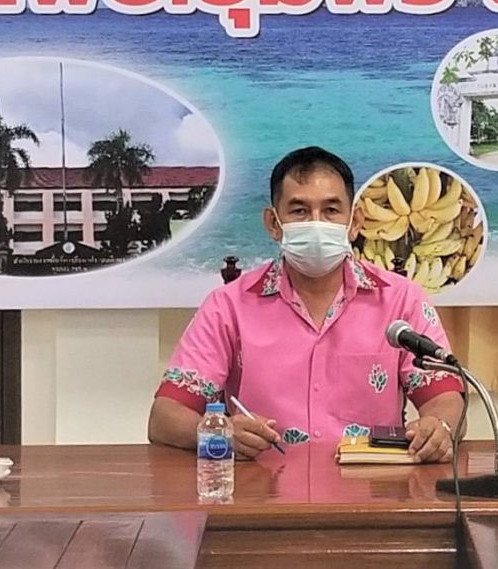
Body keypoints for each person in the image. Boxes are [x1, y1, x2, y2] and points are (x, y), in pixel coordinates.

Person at [148, 147, 465, 462]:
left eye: (331, 210)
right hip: (261, 486)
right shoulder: (228, 306)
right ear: (273, 223)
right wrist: (221, 434)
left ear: (355, 221)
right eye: (299, 211)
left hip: (372, 484)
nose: (316, 223)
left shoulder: (401, 300)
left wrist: (438, 427)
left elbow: (446, 400)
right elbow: (164, 418)